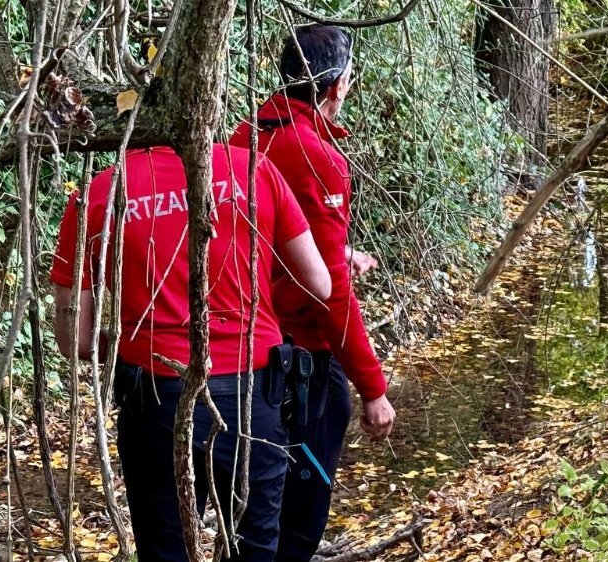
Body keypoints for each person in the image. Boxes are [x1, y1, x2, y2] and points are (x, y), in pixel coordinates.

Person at [50, 144, 331, 562]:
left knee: (167, 545)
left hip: (156, 400)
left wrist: (130, 336)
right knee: (255, 542)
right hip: (253, 396)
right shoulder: (254, 169)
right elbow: (320, 285)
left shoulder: (99, 192)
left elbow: (78, 339)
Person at [229, 24, 395, 561]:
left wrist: (336, 253)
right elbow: (330, 294)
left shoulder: (245, 137)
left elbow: (261, 236)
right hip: (295, 358)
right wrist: (374, 387)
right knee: (296, 514)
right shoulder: (316, 155)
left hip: (240, 352)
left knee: (251, 506)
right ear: (338, 85)